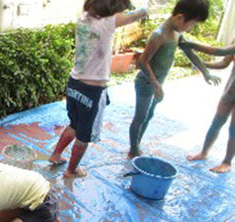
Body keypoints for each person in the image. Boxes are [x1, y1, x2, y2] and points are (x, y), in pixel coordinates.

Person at [48, 0, 148, 177]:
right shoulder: (109, 22)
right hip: (91, 90)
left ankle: (56, 154)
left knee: (74, 125)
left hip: (74, 83)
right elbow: (137, 14)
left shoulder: (83, 18)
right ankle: (71, 170)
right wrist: (145, 8)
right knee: (84, 136)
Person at [128, 0, 220, 158]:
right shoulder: (159, 35)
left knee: (149, 115)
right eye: (192, 24)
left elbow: (190, 53)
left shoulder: (177, 33)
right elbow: (143, 62)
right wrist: (156, 85)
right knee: (140, 117)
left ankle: (136, 144)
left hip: (158, 83)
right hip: (146, 83)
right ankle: (133, 150)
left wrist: (205, 72)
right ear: (180, 18)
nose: (191, 28)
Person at [183, 39, 235, 172]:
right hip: (230, 90)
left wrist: (191, 44)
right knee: (217, 122)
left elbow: (221, 51)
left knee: (233, 129)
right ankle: (204, 153)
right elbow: (224, 62)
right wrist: (201, 64)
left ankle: (227, 162)